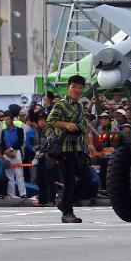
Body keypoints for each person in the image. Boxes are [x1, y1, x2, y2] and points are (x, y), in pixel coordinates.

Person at [46, 74, 100, 223]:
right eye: (73, 86)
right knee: (69, 181)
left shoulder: (80, 106)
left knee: (88, 179)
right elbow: (50, 121)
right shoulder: (60, 105)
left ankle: (64, 202)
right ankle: (67, 213)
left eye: (80, 87)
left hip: (77, 149)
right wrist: (66, 125)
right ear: (68, 87)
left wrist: (90, 144)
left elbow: (84, 128)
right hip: (64, 148)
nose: (77, 90)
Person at [0, 113, 26, 198]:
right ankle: (11, 194)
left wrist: (10, 150)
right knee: (9, 175)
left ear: (12, 119)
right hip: (6, 155)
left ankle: (22, 193)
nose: (6, 121)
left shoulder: (19, 130)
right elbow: (2, 144)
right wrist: (6, 152)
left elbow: (20, 142)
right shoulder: (4, 131)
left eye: (7, 119)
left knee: (19, 174)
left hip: (16, 152)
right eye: (5, 120)